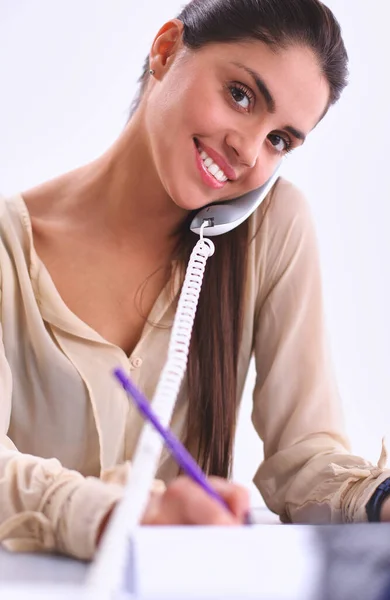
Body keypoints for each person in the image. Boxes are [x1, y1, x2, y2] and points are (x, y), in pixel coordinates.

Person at [1, 0, 389, 562]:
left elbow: (307, 462)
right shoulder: (13, 247)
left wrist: (378, 496)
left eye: (280, 139)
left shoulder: (270, 229)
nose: (248, 149)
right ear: (164, 52)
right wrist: (121, 516)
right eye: (240, 95)